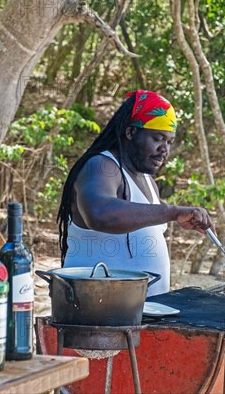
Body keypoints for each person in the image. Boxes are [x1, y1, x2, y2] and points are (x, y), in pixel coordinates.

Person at [57, 90, 215, 296]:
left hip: (141, 316)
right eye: (158, 138)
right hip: (95, 313)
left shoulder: (147, 180)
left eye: (169, 141)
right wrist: (173, 212)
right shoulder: (101, 166)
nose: (164, 149)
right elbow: (100, 214)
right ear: (131, 132)